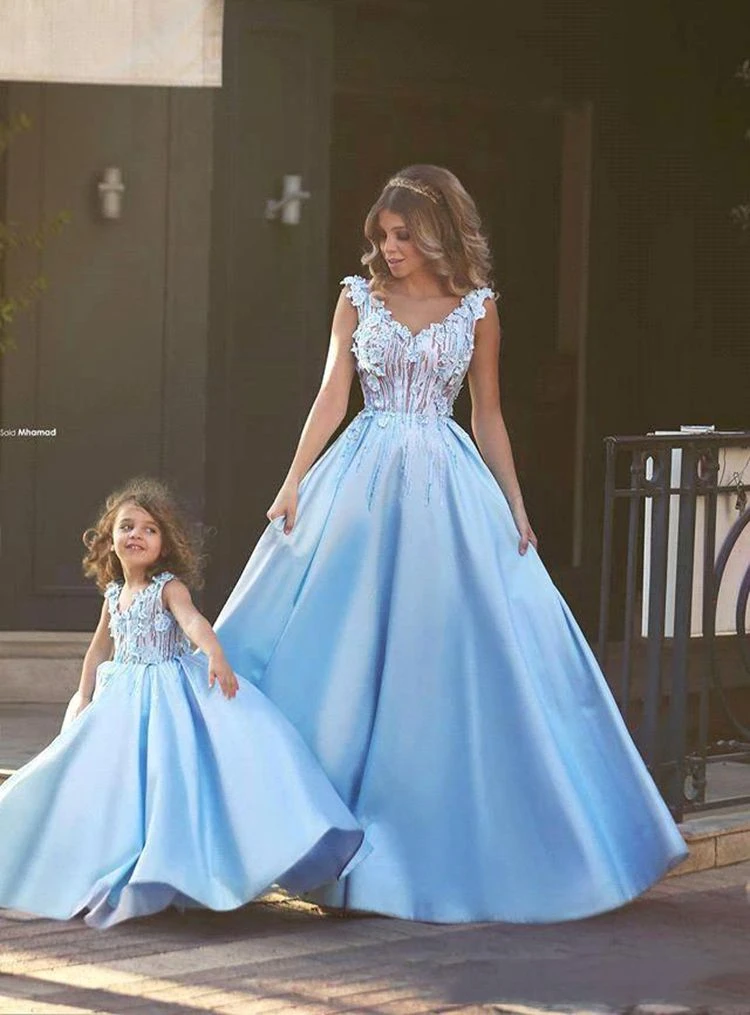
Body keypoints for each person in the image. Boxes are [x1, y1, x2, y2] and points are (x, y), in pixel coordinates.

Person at [213, 164, 688, 924]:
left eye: (404, 234)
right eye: (382, 235)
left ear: (438, 232)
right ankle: (304, 830)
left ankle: (446, 847)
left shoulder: (478, 309)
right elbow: (332, 394)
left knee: (451, 656)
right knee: (330, 645)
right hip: (360, 484)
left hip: (446, 487)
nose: (390, 248)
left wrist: (516, 505)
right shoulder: (356, 298)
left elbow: (486, 413)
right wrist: (293, 480)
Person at [0, 477, 367, 929]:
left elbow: (193, 622)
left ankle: (170, 869)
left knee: (165, 779)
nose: (136, 535)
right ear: (110, 539)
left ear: (165, 544)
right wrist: (84, 695)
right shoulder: (113, 595)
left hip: (166, 694)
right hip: (120, 699)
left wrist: (214, 654)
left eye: (149, 529)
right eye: (127, 526)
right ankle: (102, 858)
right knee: (108, 782)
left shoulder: (167, 588)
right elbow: (98, 650)